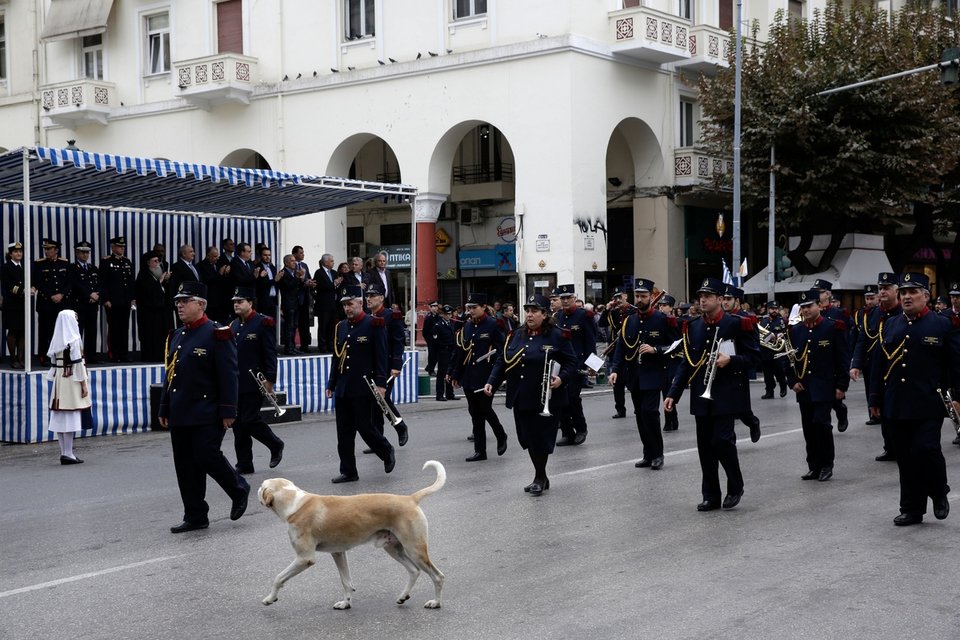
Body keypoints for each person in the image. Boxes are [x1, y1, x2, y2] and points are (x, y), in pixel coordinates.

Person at [868, 272, 960, 526]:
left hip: (929, 401)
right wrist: (874, 398)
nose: (907, 297)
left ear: (926, 297)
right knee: (906, 458)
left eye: (913, 292)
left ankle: (939, 491)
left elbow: (956, 365)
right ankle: (912, 508)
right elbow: (878, 363)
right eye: (904, 292)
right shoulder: (891, 324)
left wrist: (957, 397)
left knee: (926, 449)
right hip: (896, 402)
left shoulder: (943, 325)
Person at [158, 281, 249, 534]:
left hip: (208, 410)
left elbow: (229, 374)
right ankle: (195, 514)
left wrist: (229, 410)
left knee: (206, 454)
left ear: (200, 304)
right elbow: (171, 375)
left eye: (185, 301)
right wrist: (164, 407)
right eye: (178, 301)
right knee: (185, 464)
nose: (179, 305)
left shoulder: (217, 333)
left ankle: (238, 488)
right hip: (181, 410)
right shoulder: (177, 335)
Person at [664, 277, 760, 512]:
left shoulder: (737, 324)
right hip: (701, 395)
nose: (703, 300)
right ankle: (711, 495)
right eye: (701, 296)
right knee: (705, 448)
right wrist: (673, 394)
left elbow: (756, 358)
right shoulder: (693, 326)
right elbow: (687, 363)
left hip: (727, 394)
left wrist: (733, 360)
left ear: (720, 299)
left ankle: (735, 486)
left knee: (722, 441)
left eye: (708, 296)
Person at [484, 294, 577, 496]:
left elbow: (572, 363)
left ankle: (540, 477)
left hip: (546, 397)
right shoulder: (516, 334)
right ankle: (541, 475)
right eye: (527, 310)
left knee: (540, 438)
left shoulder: (557, 335)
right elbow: (503, 360)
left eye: (534, 311)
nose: (529, 314)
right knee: (526, 438)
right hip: (521, 394)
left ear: (545, 314)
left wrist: (562, 378)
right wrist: (492, 381)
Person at [326, 284, 396, 483]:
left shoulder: (374, 324)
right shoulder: (341, 327)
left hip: (364, 385)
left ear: (360, 302)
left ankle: (386, 450)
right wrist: (331, 383)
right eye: (344, 305)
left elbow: (381, 357)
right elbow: (336, 357)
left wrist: (381, 384)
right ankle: (348, 471)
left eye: (350, 304)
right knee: (344, 432)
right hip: (343, 387)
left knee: (365, 427)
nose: (347, 308)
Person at [609, 279, 679, 470]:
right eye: (637, 296)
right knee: (640, 415)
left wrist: (656, 349)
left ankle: (658, 454)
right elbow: (621, 346)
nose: (639, 299)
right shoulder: (630, 320)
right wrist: (615, 370)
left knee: (650, 413)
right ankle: (648, 454)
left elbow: (677, 345)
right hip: (634, 375)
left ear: (651, 297)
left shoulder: (663, 320)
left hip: (654, 374)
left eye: (643, 296)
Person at [785, 289, 850, 482]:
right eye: (803, 307)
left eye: (809, 306)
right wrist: (793, 381)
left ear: (819, 306)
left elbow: (843, 358)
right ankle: (813, 465)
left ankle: (826, 464)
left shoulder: (833, 327)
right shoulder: (796, 331)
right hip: (804, 387)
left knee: (822, 425)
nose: (806, 310)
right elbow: (789, 359)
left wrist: (841, 386)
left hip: (825, 385)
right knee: (808, 428)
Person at [230, 286, 284, 474]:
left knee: (249, 419)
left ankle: (275, 444)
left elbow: (270, 353)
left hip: (256, 381)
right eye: (235, 302)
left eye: (240, 301)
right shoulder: (234, 325)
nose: (236, 304)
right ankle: (244, 463)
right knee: (238, 424)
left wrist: (270, 379)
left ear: (250, 303)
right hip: (237, 382)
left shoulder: (263, 322)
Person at [450, 293, 509, 461]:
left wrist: (496, 376)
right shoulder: (468, 326)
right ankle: (480, 450)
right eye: (468, 308)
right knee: (475, 413)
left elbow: (502, 351)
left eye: (474, 307)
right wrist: (456, 374)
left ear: (483, 307)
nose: (470, 311)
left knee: (485, 408)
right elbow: (462, 351)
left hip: (487, 375)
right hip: (470, 375)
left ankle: (501, 434)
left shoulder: (494, 324)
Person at [850, 273, 901, 460]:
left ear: (897, 290)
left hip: (897, 366)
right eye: (881, 288)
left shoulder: (903, 312)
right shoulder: (873, 314)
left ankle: (901, 446)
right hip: (876, 366)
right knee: (881, 407)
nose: (882, 292)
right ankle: (890, 447)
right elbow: (862, 340)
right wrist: (856, 363)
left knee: (897, 410)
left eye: (887, 288)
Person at [363, 283, 410, 447]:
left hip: (387, 365)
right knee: (374, 403)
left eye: (372, 296)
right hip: (371, 365)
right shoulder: (367, 317)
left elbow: (398, 342)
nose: (368, 299)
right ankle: (378, 439)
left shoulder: (392, 316)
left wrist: (396, 365)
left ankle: (400, 426)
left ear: (381, 298)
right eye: (367, 296)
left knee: (382, 399)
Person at [46, 309, 92, 464]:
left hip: (60, 379)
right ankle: (69, 453)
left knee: (60, 417)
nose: (77, 322)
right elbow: (78, 365)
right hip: (71, 379)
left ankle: (64, 452)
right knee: (70, 415)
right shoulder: (73, 340)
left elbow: (53, 367)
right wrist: (84, 385)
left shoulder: (56, 340)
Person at [553, 284, 596, 446]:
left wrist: (592, 366)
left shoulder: (585, 315)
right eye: (562, 298)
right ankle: (566, 432)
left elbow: (591, 342)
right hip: (560, 365)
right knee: (559, 399)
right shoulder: (557, 317)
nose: (564, 301)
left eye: (567, 298)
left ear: (574, 298)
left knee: (572, 398)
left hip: (578, 364)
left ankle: (581, 429)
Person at [720, 285, 762, 443]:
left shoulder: (746, 319)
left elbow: (754, 346)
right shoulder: (720, 317)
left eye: (728, 299)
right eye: (723, 299)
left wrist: (739, 360)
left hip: (739, 366)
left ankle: (753, 423)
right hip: (722, 367)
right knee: (726, 410)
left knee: (742, 409)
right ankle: (729, 441)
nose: (725, 302)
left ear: (737, 301)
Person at [813, 279, 850, 432]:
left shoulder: (838, 313)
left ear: (828, 294)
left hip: (833, 359)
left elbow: (845, 337)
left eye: (820, 292)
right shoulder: (813, 310)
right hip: (817, 358)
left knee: (835, 398)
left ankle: (841, 412)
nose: (818, 295)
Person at [34, 238, 71, 364]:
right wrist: (51, 295)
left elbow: (70, 282)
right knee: (45, 331)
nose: (46, 251)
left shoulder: (65, 263)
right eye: (45, 249)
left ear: (56, 250)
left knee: (62, 331)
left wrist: (62, 294)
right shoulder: (39, 264)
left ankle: (61, 356)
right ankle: (43, 356)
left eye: (49, 249)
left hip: (62, 302)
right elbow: (38, 282)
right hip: (46, 302)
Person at [599, 287, 634, 420]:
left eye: (620, 297)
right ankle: (620, 409)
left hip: (631, 350)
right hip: (616, 351)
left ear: (625, 296)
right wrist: (607, 308)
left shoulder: (633, 310)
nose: (618, 300)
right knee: (617, 382)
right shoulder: (613, 312)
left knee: (632, 380)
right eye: (616, 298)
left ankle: (638, 407)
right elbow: (602, 323)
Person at [99, 236, 136, 363]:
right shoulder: (106, 261)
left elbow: (130, 282)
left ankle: (123, 353)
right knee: (114, 328)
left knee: (124, 328)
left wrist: (132, 298)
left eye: (123, 247)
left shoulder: (127, 261)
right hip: (113, 301)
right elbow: (102, 282)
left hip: (125, 301)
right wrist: (105, 299)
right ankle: (114, 354)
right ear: (113, 247)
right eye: (120, 246)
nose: (122, 249)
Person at [134, 252, 173, 362]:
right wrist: (159, 281)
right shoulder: (143, 276)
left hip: (161, 312)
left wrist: (166, 280)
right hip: (149, 313)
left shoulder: (158, 275)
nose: (158, 264)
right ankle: (151, 357)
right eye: (155, 261)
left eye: (158, 261)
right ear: (148, 263)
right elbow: (147, 292)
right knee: (151, 336)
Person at [849, 284, 879, 424]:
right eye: (866, 298)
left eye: (872, 298)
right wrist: (855, 360)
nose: (869, 301)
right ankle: (872, 414)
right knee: (869, 384)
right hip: (867, 356)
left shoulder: (882, 312)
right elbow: (857, 338)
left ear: (878, 298)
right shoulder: (860, 314)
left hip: (880, 355)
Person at [69, 241, 101, 364]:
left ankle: (91, 355)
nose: (85, 255)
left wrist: (97, 295)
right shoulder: (73, 268)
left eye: (87, 252)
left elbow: (99, 283)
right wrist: (89, 294)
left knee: (92, 331)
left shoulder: (93, 268)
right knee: (78, 332)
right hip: (79, 304)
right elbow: (75, 284)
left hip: (92, 305)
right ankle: (77, 356)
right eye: (82, 252)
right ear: (77, 253)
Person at [657, 294, 682, 431]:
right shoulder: (657, 320)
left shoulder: (674, 322)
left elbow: (676, 343)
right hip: (660, 360)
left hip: (672, 360)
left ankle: (671, 420)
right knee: (663, 392)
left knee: (668, 392)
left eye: (664, 305)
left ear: (671, 308)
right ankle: (670, 419)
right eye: (660, 305)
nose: (661, 308)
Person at [2, 242, 26, 368]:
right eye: (16, 252)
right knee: (13, 330)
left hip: (23, 304)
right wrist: (24, 290)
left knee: (22, 330)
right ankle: (12, 358)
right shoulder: (6, 267)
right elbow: (8, 285)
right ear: (11, 254)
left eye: (20, 251)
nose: (19, 254)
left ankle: (20, 357)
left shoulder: (24, 266)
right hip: (12, 303)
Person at [758, 301, 788, 399]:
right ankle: (769, 391)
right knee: (767, 374)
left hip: (777, 352)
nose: (774, 310)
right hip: (765, 351)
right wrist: (769, 337)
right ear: (768, 310)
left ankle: (783, 386)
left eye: (776, 309)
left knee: (779, 371)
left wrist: (778, 335)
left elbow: (785, 333)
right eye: (772, 309)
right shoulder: (763, 321)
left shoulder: (781, 321)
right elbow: (760, 335)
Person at [276, 254, 304, 355]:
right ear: (286, 262)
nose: (295, 263)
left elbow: (298, 286)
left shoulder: (293, 273)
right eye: (292, 261)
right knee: (289, 326)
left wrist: (301, 279)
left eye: (295, 261)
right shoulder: (283, 273)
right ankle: (288, 348)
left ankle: (293, 347)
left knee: (294, 326)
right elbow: (288, 286)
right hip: (288, 303)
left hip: (296, 303)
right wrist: (297, 277)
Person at [312, 253, 340, 353]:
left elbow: (336, 287)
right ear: (326, 262)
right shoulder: (319, 273)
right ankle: (322, 346)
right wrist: (334, 284)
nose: (333, 263)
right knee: (323, 326)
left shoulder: (334, 272)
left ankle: (331, 345)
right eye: (331, 261)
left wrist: (337, 284)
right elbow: (320, 287)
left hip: (333, 303)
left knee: (332, 326)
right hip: (323, 304)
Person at [292, 246, 317, 353]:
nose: (303, 254)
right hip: (295, 298)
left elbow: (308, 277)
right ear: (295, 254)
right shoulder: (291, 265)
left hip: (305, 297)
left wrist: (310, 283)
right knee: (293, 323)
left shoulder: (304, 265)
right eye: (301, 253)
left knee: (305, 323)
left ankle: (305, 345)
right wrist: (302, 281)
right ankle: (292, 346)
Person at [168, 244, 201, 321]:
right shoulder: (177, 266)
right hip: (184, 301)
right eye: (191, 252)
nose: (194, 253)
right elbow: (173, 285)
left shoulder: (195, 266)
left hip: (196, 300)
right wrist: (174, 302)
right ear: (183, 254)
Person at [198, 246, 230, 324]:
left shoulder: (219, 264)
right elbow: (207, 281)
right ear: (208, 256)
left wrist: (226, 273)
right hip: (211, 302)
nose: (217, 258)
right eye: (215, 256)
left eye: (217, 256)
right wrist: (219, 274)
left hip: (222, 302)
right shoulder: (201, 266)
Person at [433, 304, 457, 401]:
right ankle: (439, 394)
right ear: (442, 314)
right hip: (443, 351)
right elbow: (435, 341)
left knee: (450, 372)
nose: (448, 316)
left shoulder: (451, 324)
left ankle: (450, 393)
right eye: (446, 314)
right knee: (442, 374)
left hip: (451, 351)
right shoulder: (438, 325)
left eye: (449, 314)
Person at [253, 246, 279, 320]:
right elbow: (260, 284)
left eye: (269, 255)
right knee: (263, 322)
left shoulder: (273, 268)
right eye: (265, 255)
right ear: (260, 256)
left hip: (274, 300)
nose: (268, 257)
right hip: (263, 300)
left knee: (274, 323)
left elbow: (277, 282)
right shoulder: (257, 267)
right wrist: (275, 280)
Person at [422, 301, 440, 376]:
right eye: (434, 306)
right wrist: (429, 340)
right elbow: (425, 331)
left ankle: (429, 367)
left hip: (437, 339)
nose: (436, 308)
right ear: (430, 307)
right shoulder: (428, 317)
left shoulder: (438, 316)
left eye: (436, 306)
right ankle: (431, 370)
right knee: (432, 355)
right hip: (431, 339)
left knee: (437, 355)